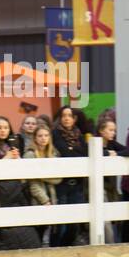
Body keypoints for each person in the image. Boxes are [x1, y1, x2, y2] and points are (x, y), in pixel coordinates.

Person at [51, 105, 89, 247]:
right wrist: (76, 150)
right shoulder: (55, 134)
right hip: (63, 184)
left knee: (75, 223)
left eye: (69, 116)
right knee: (61, 223)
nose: (66, 118)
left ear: (74, 119)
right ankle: (55, 248)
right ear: (60, 119)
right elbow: (65, 153)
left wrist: (75, 149)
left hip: (77, 184)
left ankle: (66, 247)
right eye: (64, 115)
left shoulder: (79, 134)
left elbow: (86, 152)